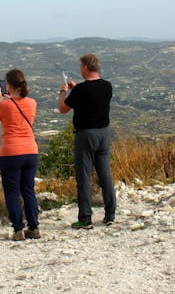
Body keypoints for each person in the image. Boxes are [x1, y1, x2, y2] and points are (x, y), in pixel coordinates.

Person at [57, 53, 116, 229]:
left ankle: (85, 218)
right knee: (105, 175)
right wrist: (77, 89)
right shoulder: (107, 86)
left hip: (86, 135)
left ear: (85, 67)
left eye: (80, 66)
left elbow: (62, 109)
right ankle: (110, 215)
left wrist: (63, 92)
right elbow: (92, 97)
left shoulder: (81, 90)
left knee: (83, 177)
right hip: (104, 134)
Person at [0, 69, 40, 240]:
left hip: (11, 151)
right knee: (28, 190)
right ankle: (34, 227)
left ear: (9, 85)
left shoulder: (5, 104)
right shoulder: (32, 103)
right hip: (31, 150)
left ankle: (18, 230)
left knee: (12, 192)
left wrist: (0, 101)